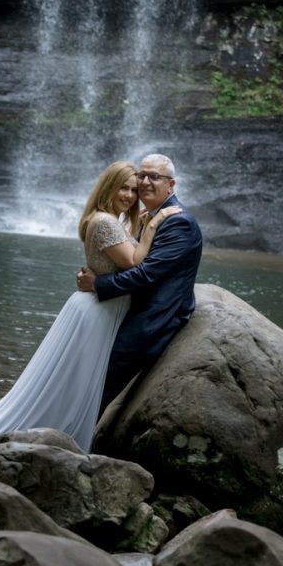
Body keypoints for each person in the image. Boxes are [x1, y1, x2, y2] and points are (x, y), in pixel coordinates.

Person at [0, 160, 179, 451]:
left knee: (71, 379)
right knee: (71, 380)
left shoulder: (108, 220)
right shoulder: (105, 221)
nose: (129, 196)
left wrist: (141, 223)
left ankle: (55, 436)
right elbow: (132, 262)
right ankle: (50, 437)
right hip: (97, 311)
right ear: (108, 187)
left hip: (99, 307)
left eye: (132, 189)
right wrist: (154, 222)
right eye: (122, 188)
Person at [77, 152, 203, 413]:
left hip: (155, 317)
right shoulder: (148, 216)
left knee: (104, 380)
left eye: (154, 177)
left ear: (171, 184)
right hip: (133, 309)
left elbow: (146, 273)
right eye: (142, 175)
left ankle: (75, 441)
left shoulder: (178, 222)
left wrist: (99, 284)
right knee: (92, 377)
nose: (145, 182)